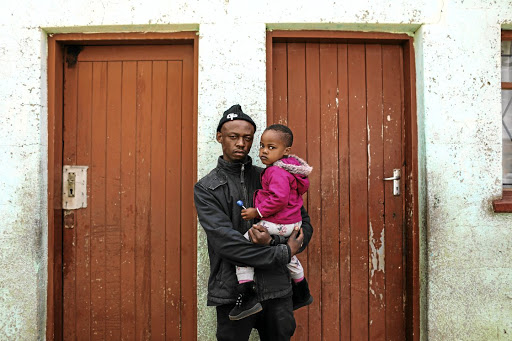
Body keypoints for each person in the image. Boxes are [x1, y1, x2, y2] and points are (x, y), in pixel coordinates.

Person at [194, 104, 314, 341]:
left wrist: (275, 242)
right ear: (220, 137)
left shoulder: (272, 176)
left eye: (247, 138)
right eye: (233, 137)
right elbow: (226, 244)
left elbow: (304, 225)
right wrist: (283, 252)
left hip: (277, 288)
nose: (241, 143)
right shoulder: (207, 188)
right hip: (234, 293)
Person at [229, 124, 313, 321]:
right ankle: (301, 289)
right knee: (288, 254)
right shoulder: (289, 171)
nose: (264, 151)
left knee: (242, 245)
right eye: (262, 146)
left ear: (286, 151)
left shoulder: (276, 172)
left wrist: (256, 212)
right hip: (293, 224)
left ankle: (247, 293)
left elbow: (279, 198)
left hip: (279, 223)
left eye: (271, 147)